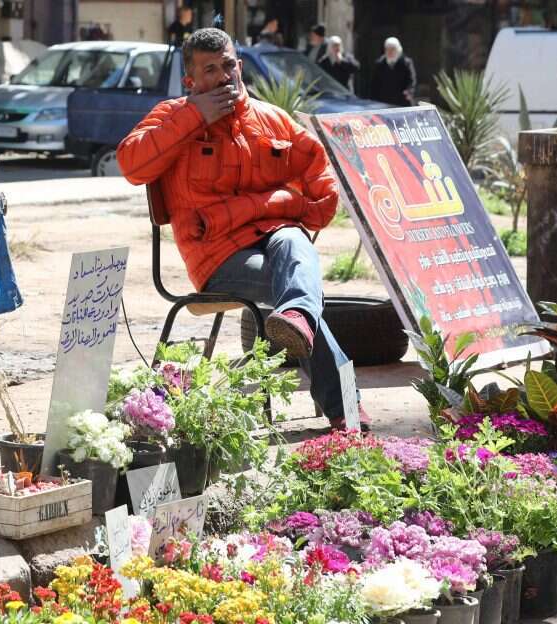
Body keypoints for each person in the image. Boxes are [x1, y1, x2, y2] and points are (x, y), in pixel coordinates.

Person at [116, 28, 369, 431]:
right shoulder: (172, 114)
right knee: (294, 285)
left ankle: (300, 320)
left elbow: (319, 171)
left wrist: (308, 206)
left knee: (293, 248)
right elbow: (131, 163)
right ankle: (347, 411)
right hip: (217, 256)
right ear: (191, 82)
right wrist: (194, 114)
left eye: (229, 65)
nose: (224, 76)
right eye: (210, 70)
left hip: (277, 237)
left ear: (240, 66)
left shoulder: (270, 118)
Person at [370, 37, 417, 106]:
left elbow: (412, 81)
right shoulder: (380, 63)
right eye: (387, 49)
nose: (390, 52)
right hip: (383, 101)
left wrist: (409, 92)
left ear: (398, 50)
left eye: (392, 49)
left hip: (402, 101)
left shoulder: (406, 63)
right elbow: (375, 83)